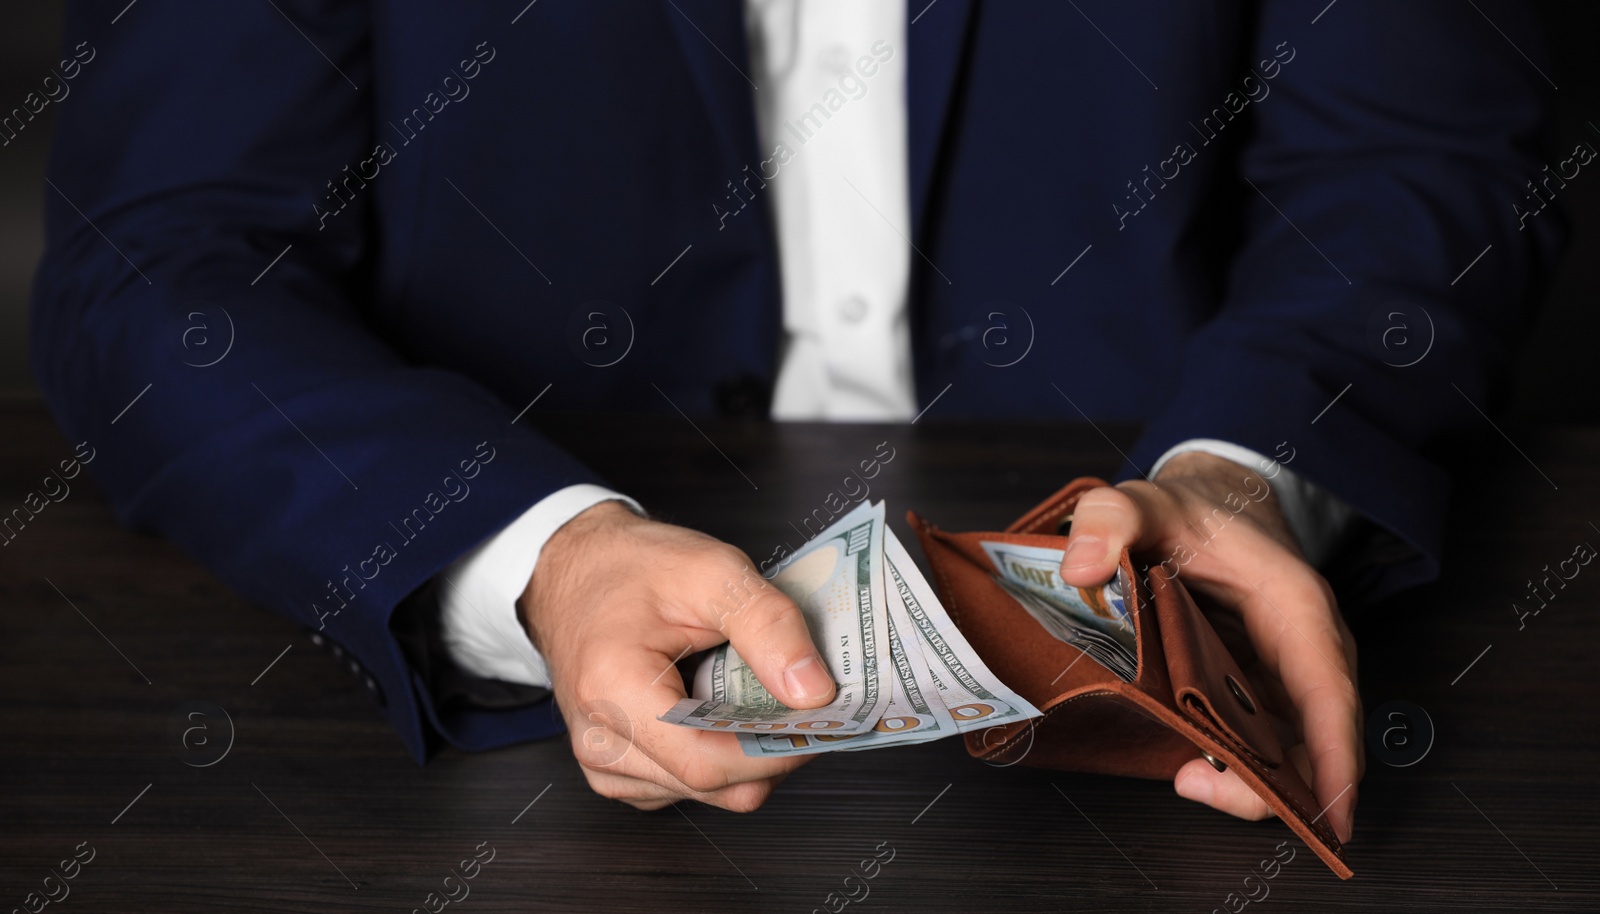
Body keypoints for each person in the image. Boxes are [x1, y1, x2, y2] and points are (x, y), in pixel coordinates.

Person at [32, 1, 1560, 842]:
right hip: (493, 806)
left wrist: (1253, 470)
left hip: (1167, 747)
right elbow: (157, 270)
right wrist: (532, 560)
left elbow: (1418, 164)